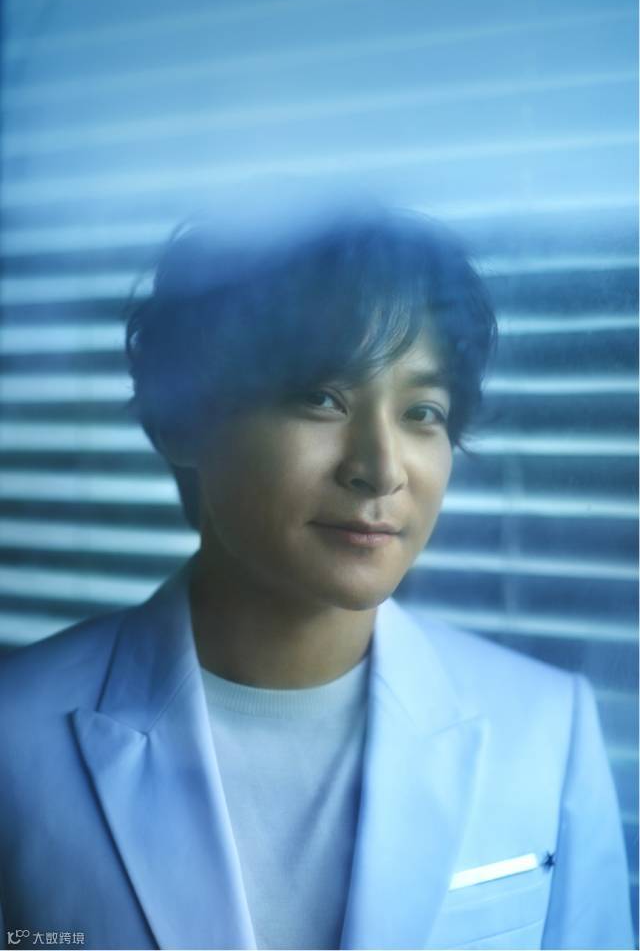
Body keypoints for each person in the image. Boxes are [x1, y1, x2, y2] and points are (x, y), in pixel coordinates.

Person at [0, 207, 633, 951]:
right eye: (321, 398)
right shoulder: (17, 734)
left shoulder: (545, 728)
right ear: (184, 420)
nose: (382, 469)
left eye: (422, 411)